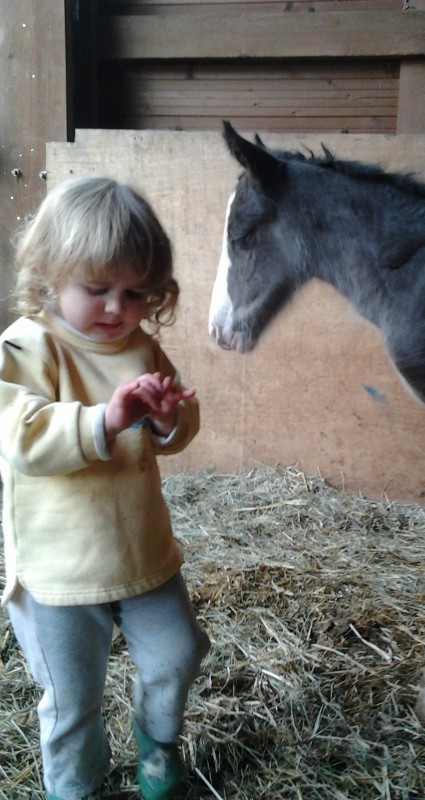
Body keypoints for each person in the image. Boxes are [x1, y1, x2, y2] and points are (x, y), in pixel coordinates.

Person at [0, 177, 210, 800]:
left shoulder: (141, 348)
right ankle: (78, 788)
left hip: (141, 551)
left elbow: (176, 430)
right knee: (72, 700)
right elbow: (22, 437)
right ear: (49, 274)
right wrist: (104, 420)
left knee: (177, 654)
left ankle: (157, 754)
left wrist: (170, 418)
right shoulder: (26, 345)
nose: (116, 308)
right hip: (61, 571)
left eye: (134, 292)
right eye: (97, 289)